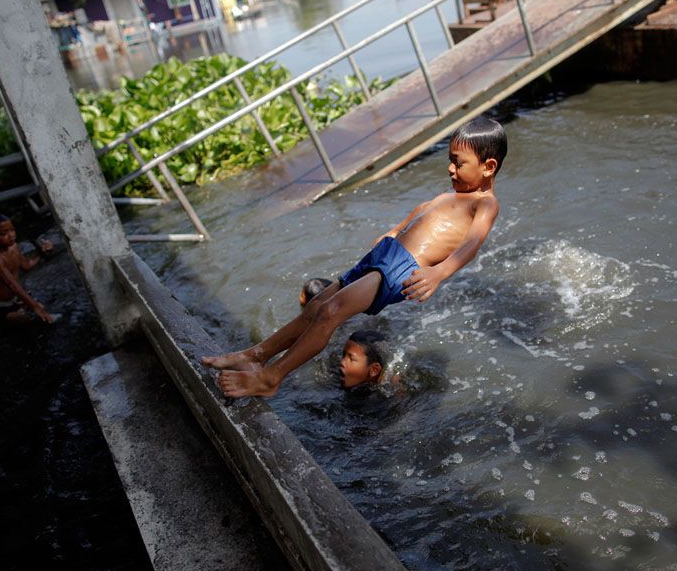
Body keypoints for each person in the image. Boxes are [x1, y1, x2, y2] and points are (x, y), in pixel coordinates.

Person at [202, 115, 506, 397]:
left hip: (401, 269)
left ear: (488, 166)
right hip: (386, 255)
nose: (450, 168)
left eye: (458, 162)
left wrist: (439, 273)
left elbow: (473, 242)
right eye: (449, 160)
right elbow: (418, 217)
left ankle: (272, 377)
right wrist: (392, 231)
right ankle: (255, 356)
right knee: (317, 306)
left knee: (331, 311)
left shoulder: (485, 204)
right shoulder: (449, 195)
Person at [0, 214, 55, 325]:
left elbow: (26, 265)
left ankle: (19, 308)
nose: (11, 235)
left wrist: (42, 252)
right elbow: (12, 285)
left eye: (12, 230)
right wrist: (33, 306)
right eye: (3, 233)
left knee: (41, 309)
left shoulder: (14, 247)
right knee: (24, 319)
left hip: (15, 298)